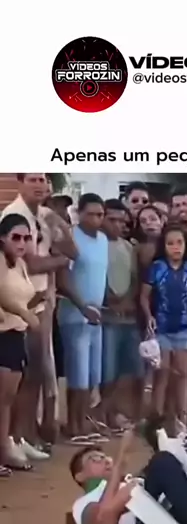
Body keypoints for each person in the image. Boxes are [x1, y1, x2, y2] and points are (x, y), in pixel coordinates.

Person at [1, 173, 74, 462]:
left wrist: (57, 222)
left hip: (34, 310)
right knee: (13, 387)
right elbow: (34, 266)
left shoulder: (43, 217)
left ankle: (22, 437)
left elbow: (73, 251)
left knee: (32, 376)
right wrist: (60, 261)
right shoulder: (14, 215)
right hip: (14, 320)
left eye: (43, 179)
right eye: (33, 179)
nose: (40, 184)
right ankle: (10, 441)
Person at [140, 224, 187, 424]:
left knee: (182, 374)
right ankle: (157, 420)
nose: (176, 247)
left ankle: (182, 419)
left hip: (184, 329)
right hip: (162, 329)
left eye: (179, 243)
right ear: (164, 246)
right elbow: (144, 296)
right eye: (170, 243)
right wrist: (149, 316)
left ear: (186, 245)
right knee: (162, 374)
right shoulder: (157, 268)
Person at [57, 193, 108, 444]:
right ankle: (73, 424)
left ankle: (84, 420)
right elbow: (63, 278)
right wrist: (81, 306)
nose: (96, 219)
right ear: (79, 213)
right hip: (74, 313)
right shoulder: (70, 238)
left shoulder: (104, 240)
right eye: (91, 214)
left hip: (96, 314)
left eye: (100, 214)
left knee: (92, 373)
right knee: (78, 371)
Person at [94, 199, 143, 432]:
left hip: (128, 317)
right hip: (108, 317)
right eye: (111, 219)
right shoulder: (98, 244)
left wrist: (127, 299)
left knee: (128, 369)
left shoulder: (128, 247)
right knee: (108, 370)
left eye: (121, 221)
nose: (117, 225)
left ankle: (112, 412)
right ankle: (102, 414)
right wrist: (109, 297)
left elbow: (135, 278)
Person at [0, 215, 40, 474]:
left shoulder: (20, 263)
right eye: (16, 237)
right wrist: (24, 313)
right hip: (3, 334)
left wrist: (35, 306)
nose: (22, 242)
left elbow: (22, 297)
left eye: (26, 238)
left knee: (7, 399)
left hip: (16, 334)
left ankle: (5, 448)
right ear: (2, 238)